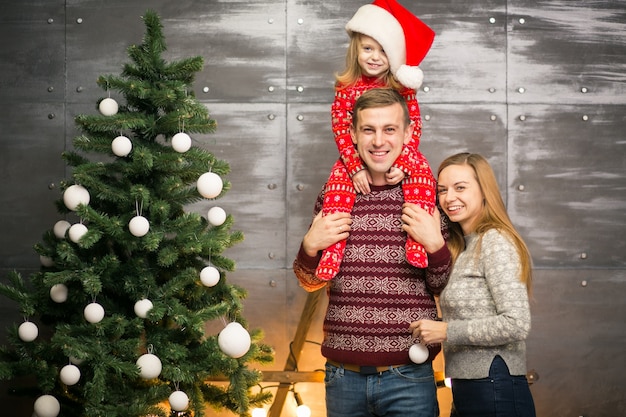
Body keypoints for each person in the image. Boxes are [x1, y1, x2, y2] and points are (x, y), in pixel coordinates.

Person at [293, 88, 451, 417]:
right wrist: (310, 246)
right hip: (342, 376)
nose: (379, 141)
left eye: (389, 129)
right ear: (353, 133)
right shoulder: (334, 193)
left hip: (408, 375)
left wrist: (435, 246)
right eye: (369, 129)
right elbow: (310, 282)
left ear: (407, 133)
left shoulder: (425, 195)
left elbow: (441, 286)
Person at [316, 0, 437, 281]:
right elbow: (342, 129)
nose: (374, 57)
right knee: (337, 191)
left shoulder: (401, 86)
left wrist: (405, 162)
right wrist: (354, 166)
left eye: (383, 50)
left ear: (394, 54)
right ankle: (333, 250)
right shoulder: (346, 88)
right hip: (355, 157)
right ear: (355, 48)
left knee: (422, 179)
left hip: (401, 155)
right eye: (367, 48)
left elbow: (413, 127)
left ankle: (417, 242)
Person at [408, 153, 536, 417]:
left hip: (495, 385)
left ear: (484, 190)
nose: (449, 198)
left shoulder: (495, 241)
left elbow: (517, 322)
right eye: (442, 190)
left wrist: (445, 330)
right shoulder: (463, 246)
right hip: (471, 387)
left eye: (460, 187)